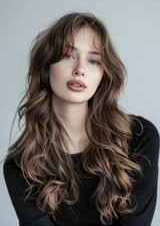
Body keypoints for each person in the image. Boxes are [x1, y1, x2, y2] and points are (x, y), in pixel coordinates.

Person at [3, 12, 159, 226]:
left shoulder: (140, 137)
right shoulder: (21, 166)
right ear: (46, 65)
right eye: (68, 55)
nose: (80, 70)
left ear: (103, 75)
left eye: (93, 61)